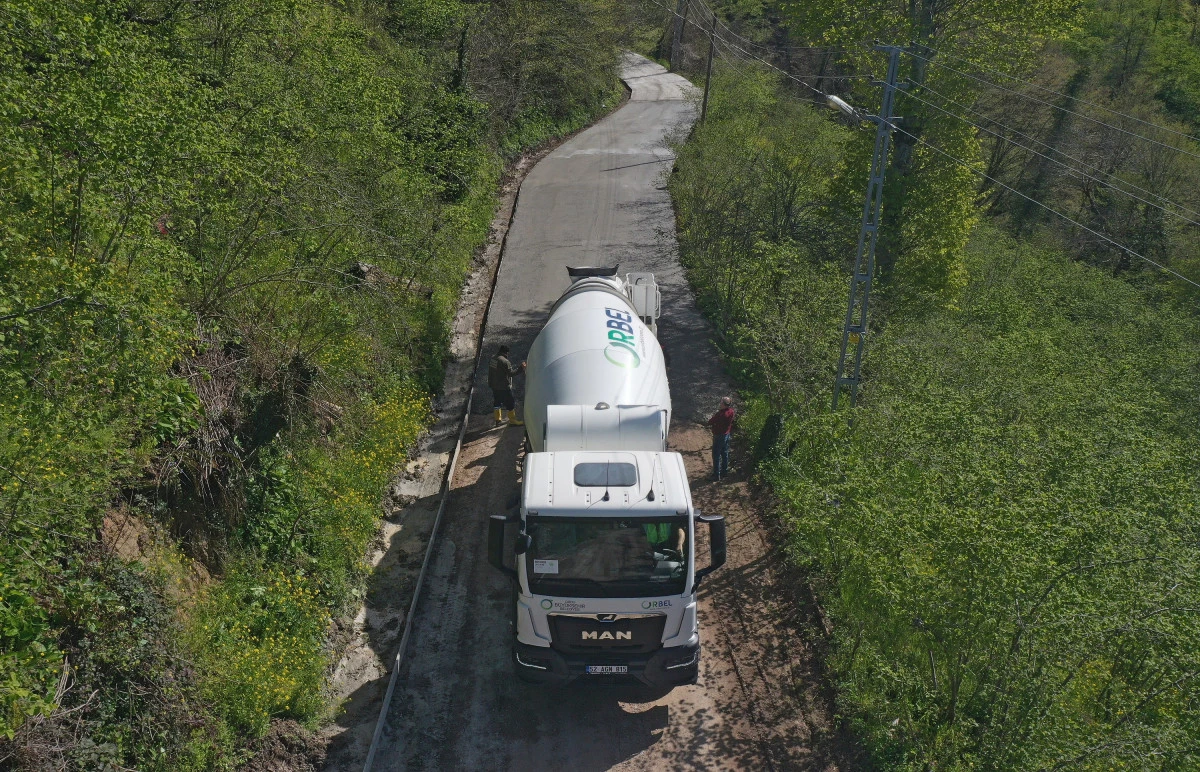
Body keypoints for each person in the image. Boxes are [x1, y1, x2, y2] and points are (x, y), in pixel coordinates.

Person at [488, 344, 526, 426]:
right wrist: (521, 368)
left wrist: (490, 383)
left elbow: (491, 372)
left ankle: (498, 420)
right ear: (506, 353)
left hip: (494, 386)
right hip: (504, 387)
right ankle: (513, 421)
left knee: (497, 402)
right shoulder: (505, 362)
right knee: (510, 403)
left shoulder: (493, 359)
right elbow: (511, 373)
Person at [707, 396, 735, 481]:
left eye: (721, 402)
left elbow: (711, 421)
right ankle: (724, 472)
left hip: (719, 436)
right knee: (724, 453)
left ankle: (716, 475)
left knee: (716, 455)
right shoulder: (731, 412)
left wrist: (712, 419)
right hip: (726, 435)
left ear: (724, 404)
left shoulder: (721, 414)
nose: (720, 403)